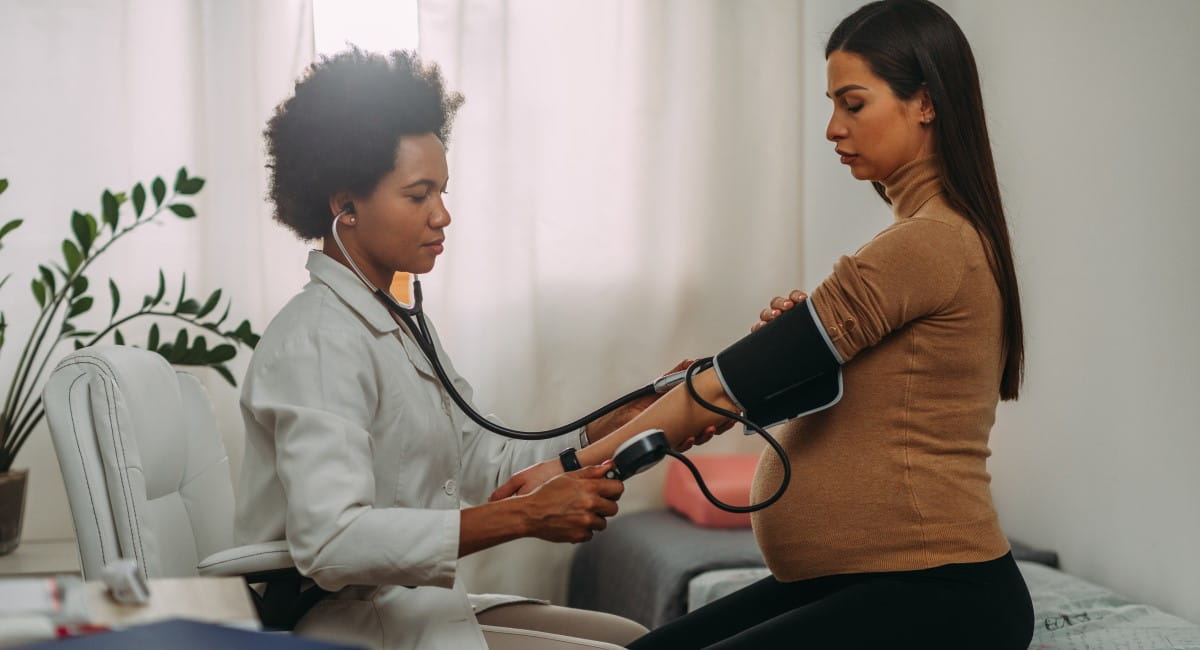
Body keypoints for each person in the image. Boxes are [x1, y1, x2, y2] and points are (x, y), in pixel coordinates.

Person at [493, 2, 1034, 648]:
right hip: (873, 575)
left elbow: (723, 389)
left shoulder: (928, 244)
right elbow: (852, 401)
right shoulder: (927, 239)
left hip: (938, 589)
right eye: (832, 105)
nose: (832, 128)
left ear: (925, 102)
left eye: (853, 104)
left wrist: (570, 466)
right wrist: (791, 362)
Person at [234, 48, 708, 650]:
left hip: (407, 606)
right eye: (418, 196)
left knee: (633, 637)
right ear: (344, 205)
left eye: (442, 191)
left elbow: (485, 460)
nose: (443, 216)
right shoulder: (319, 342)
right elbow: (331, 542)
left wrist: (612, 425)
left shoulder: (393, 322)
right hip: (338, 622)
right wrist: (526, 518)